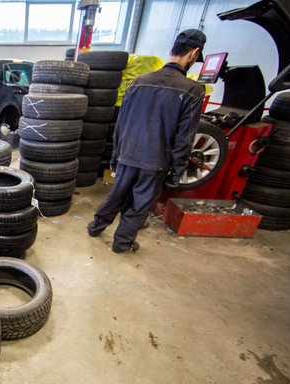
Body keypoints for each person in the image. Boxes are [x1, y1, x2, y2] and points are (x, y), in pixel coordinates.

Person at [87, 29, 207, 253]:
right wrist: (177, 171)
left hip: (128, 153)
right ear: (194, 54)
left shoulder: (139, 82)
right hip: (156, 160)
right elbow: (185, 137)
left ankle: (95, 227)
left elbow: (121, 124)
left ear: (171, 51)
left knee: (116, 195)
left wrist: (116, 156)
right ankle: (121, 243)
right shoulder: (192, 90)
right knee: (139, 204)